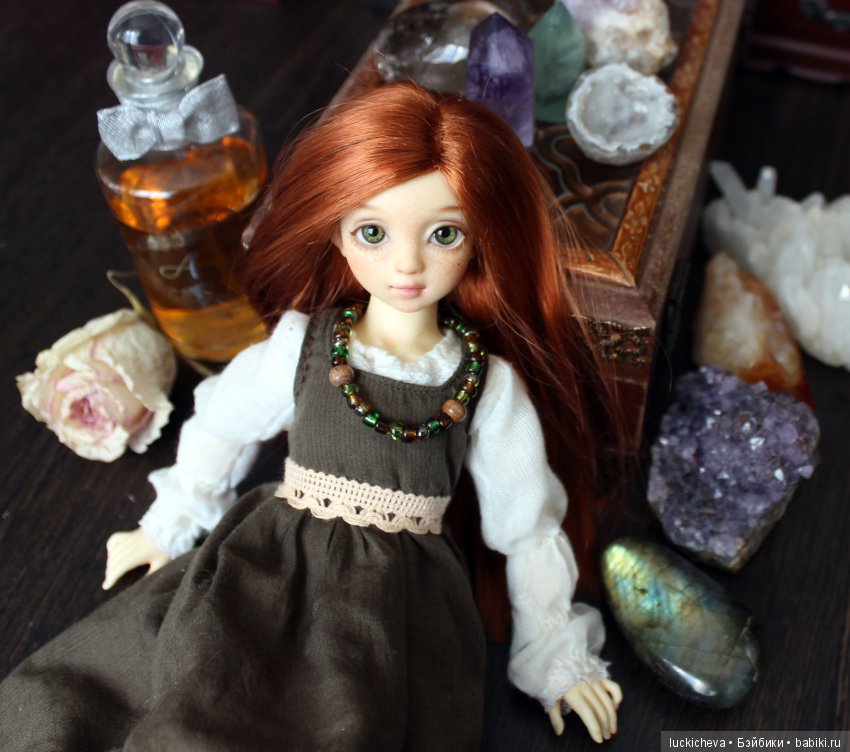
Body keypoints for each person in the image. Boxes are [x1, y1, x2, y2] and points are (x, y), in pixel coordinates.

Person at [0, 82, 621, 749]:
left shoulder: (483, 383)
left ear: (479, 239)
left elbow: (527, 531)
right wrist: (174, 518)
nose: (407, 264)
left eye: (444, 234)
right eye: (372, 232)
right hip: (270, 567)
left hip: (397, 607)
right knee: (187, 694)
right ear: (336, 231)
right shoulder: (306, 345)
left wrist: (557, 656)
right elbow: (223, 423)